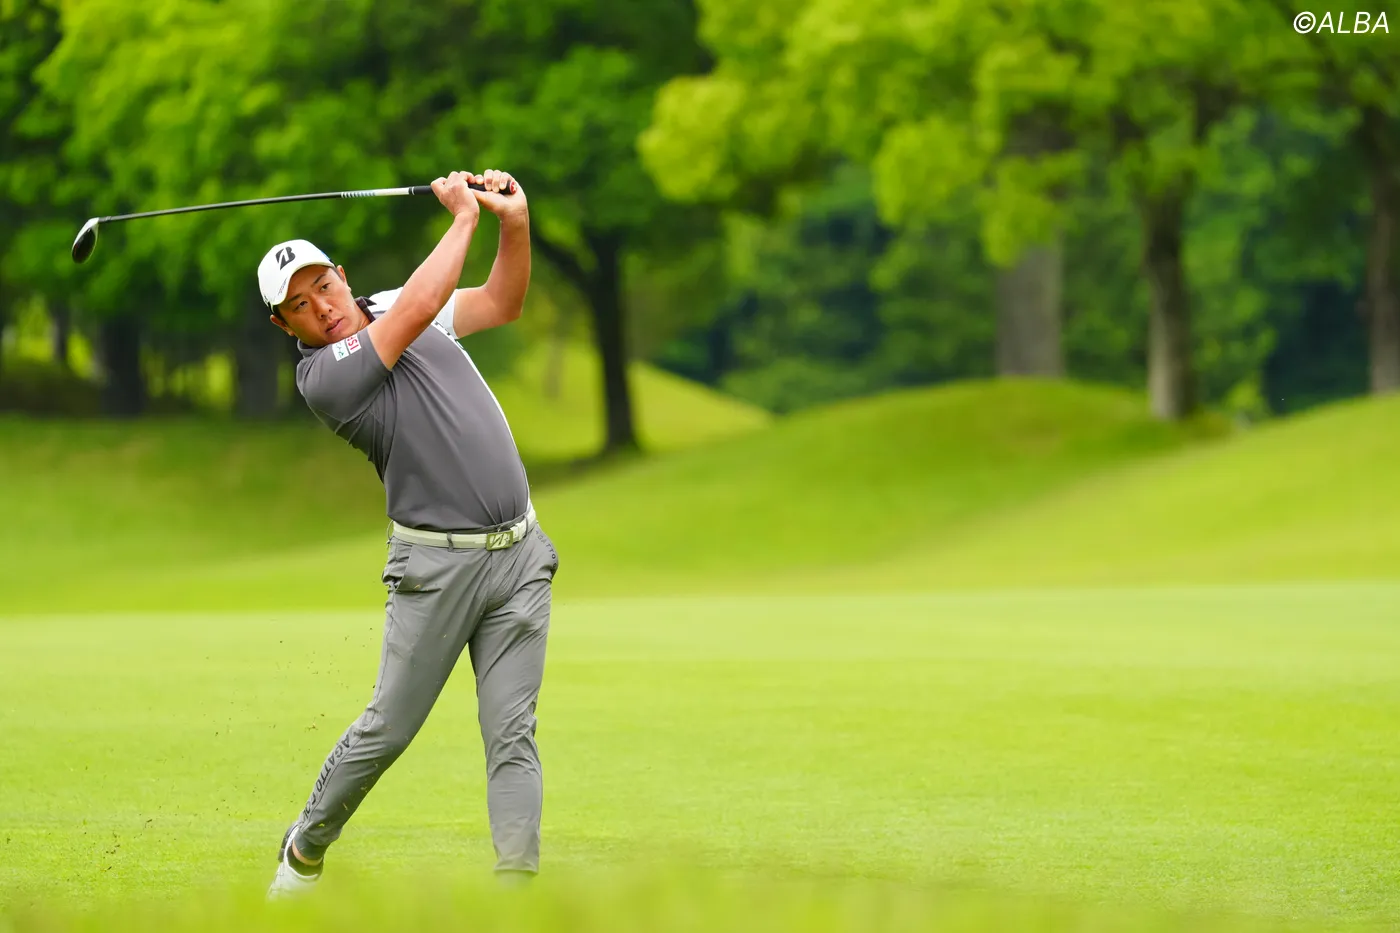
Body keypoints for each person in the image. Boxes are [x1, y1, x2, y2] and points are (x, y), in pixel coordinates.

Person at [257, 169, 559, 899]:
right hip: (435, 571)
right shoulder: (325, 379)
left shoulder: (391, 301)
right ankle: (304, 848)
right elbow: (423, 303)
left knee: (512, 732)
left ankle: (517, 893)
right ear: (285, 327)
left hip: (520, 556)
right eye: (299, 306)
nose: (321, 308)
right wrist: (462, 219)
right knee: (388, 729)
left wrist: (513, 224)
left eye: (323, 286)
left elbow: (501, 302)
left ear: (342, 275)